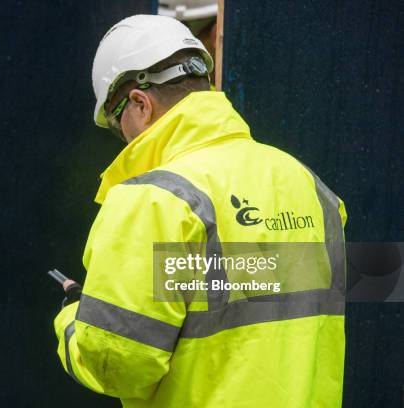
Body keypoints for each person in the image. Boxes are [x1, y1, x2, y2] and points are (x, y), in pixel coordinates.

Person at [54, 15, 346, 407]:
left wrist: (75, 319)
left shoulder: (155, 199)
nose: (120, 138)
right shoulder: (309, 186)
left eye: (115, 122)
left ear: (139, 104)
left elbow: (118, 363)